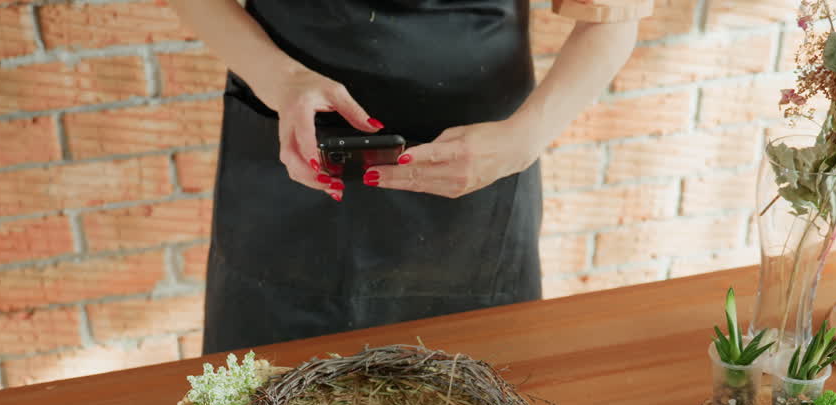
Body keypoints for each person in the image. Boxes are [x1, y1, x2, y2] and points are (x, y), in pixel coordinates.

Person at [169, 0, 650, 354]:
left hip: (478, 172)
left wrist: (524, 139)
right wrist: (280, 79)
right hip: (288, 155)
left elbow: (611, 20)